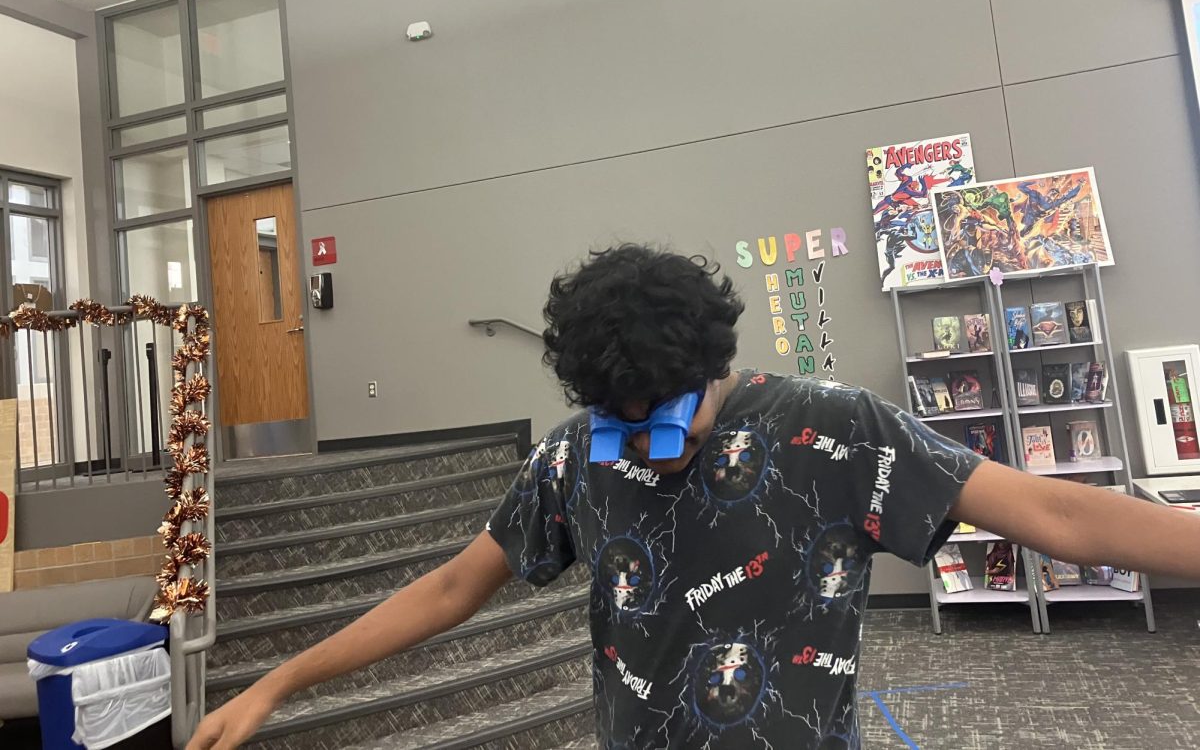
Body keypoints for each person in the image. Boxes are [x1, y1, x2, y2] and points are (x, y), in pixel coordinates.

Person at [189, 245, 1200, 749]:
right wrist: (281, 681)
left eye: (663, 416)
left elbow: (1058, 515)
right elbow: (455, 586)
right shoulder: (575, 457)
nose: (648, 446)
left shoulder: (834, 426)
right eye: (620, 418)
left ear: (717, 366)